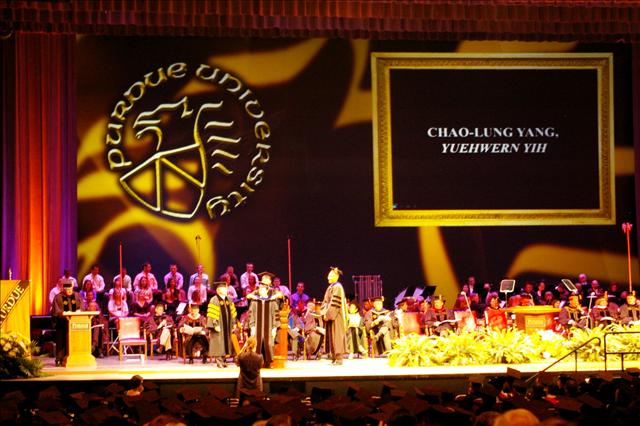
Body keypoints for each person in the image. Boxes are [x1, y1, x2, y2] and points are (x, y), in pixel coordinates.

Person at [248, 274, 281, 368]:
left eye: (263, 289)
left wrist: (274, 328)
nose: (261, 290)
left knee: (268, 344)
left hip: (269, 328)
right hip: (257, 328)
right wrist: (252, 327)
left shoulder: (272, 301)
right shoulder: (255, 301)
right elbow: (251, 315)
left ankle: (268, 362)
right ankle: (256, 363)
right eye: (260, 289)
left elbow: (275, 316)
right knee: (257, 344)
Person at [319, 266, 347, 365]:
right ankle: (334, 357)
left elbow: (335, 303)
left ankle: (339, 358)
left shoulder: (338, 287)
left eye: (330, 276)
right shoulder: (330, 287)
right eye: (328, 275)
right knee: (331, 336)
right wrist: (324, 313)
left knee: (337, 336)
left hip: (336, 316)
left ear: (336, 276)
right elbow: (325, 302)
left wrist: (328, 315)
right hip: (330, 315)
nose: (328, 277)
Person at [206, 282, 238, 368]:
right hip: (219, 325)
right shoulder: (214, 299)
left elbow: (233, 312)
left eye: (226, 288)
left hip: (227, 325)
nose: (226, 289)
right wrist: (215, 324)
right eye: (224, 288)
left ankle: (223, 360)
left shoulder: (229, 299)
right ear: (218, 290)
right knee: (218, 342)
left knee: (226, 342)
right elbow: (212, 313)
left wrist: (234, 323)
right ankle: (219, 361)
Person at [51, 282, 82, 366]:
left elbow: (81, 306)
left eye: (70, 289)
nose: (69, 291)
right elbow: (55, 311)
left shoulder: (76, 295)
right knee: (61, 341)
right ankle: (59, 359)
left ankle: (74, 357)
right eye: (67, 289)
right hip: (62, 322)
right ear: (63, 289)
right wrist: (62, 313)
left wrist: (79, 310)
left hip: (74, 322)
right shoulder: (58, 297)